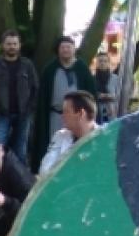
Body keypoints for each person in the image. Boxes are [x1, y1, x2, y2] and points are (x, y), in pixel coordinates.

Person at [33, 36, 96, 172]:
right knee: (56, 145)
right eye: (63, 47)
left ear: (74, 49)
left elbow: (91, 96)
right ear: (58, 50)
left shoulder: (82, 69)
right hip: (55, 116)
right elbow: (42, 98)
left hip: (79, 116)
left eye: (69, 47)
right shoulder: (50, 70)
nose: (66, 50)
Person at [0, 30, 38, 166]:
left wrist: (30, 108)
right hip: (1, 114)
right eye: (8, 44)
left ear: (19, 45)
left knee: (21, 150)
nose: (12, 46)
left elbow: (35, 88)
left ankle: (22, 181)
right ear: (3, 45)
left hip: (23, 114)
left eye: (14, 44)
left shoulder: (27, 65)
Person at [39, 91, 99, 176]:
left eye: (66, 112)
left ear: (81, 113)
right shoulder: (60, 136)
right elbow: (44, 171)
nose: (62, 116)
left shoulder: (103, 140)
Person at [92, 51, 120, 123]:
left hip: (112, 112)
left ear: (108, 63)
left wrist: (110, 96)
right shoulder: (91, 79)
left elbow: (120, 95)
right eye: (100, 61)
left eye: (105, 61)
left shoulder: (116, 79)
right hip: (96, 113)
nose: (102, 63)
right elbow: (89, 95)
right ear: (97, 63)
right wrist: (98, 95)